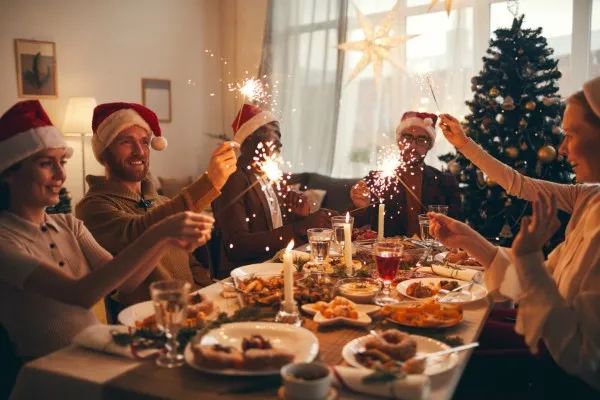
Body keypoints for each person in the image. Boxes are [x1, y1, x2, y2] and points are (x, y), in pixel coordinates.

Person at [0, 100, 212, 361]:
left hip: (100, 351)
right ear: (8, 172)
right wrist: (160, 232)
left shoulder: (68, 225)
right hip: (51, 371)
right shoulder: (5, 239)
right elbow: (79, 294)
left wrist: (167, 238)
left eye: (62, 162)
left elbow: (127, 283)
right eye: (46, 164)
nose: (61, 175)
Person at [429, 76, 600, 396]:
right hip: (542, 346)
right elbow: (518, 184)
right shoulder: (588, 197)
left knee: (441, 355)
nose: (562, 149)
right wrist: (469, 239)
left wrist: (528, 259)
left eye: (571, 134)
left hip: (558, 380)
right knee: (443, 328)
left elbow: (581, 357)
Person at [76, 103, 238, 310]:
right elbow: (139, 231)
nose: (139, 151)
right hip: (147, 324)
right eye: (126, 142)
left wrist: (209, 291)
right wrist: (209, 184)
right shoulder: (93, 208)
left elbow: (190, 263)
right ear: (104, 152)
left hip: (194, 313)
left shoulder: (162, 203)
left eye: (144, 142)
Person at [211, 104, 337, 276]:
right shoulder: (233, 179)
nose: (280, 142)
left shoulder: (270, 179)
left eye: (280, 135)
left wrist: (298, 216)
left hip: (276, 269)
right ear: (249, 138)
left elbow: (275, 232)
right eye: (273, 133)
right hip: (247, 276)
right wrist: (299, 227)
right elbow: (237, 246)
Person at [350, 111, 462, 237]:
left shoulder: (445, 182)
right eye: (407, 137)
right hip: (390, 252)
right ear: (399, 141)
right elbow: (355, 227)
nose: (412, 145)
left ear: (429, 145)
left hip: (434, 254)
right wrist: (361, 207)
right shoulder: (377, 179)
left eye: (421, 139)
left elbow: (457, 228)